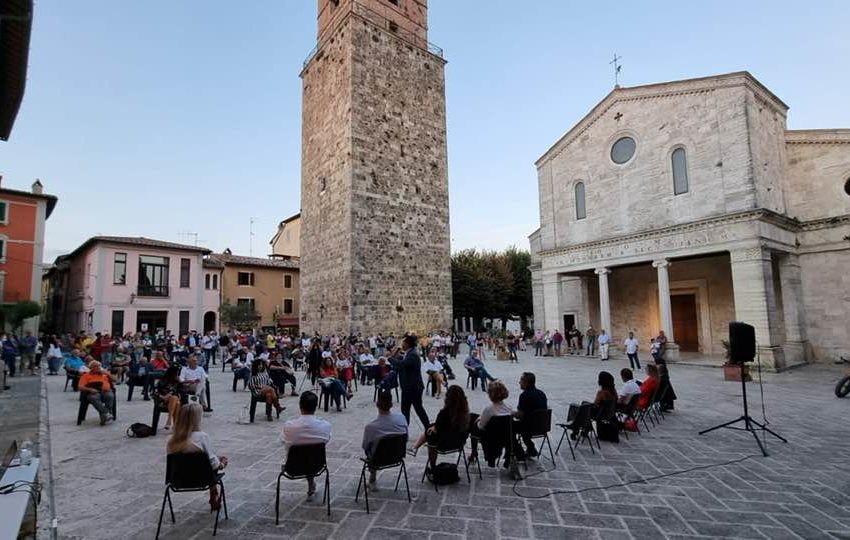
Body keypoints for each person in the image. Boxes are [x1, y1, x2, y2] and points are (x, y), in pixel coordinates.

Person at [166, 402, 228, 510]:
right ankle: (214, 493)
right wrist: (222, 464)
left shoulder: (172, 441)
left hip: (177, 480)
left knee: (205, 461)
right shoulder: (202, 437)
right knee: (213, 463)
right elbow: (213, 464)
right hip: (202, 479)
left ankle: (214, 494)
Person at [282, 392, 331, 500]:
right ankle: (311, 483)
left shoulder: (289, 426)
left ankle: (311, 484)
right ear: (316, 406)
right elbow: (327, 439)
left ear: (300, 406)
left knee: (304, 454)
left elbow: (283, 440)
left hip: (293, 467)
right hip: (317, 465)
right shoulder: (325, 426)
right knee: (310, 454)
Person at [410, 385, 469, 469]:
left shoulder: (443, 414)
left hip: (443, 444)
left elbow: (438, 430)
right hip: (458, 443)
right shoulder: (465, 414)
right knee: (432, 427)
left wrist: (434, 428)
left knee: (429, 431)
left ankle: (430, 463)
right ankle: (415, 447)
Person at [361, 389, 408, 487]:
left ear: (377, 404)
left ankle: (372, 478)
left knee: (371, 449)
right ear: (391, 405)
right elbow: (406, 437)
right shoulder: (401, 418)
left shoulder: (371, 427)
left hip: (378, 459)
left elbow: (365, 446)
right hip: (398, 455)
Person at [469, 381, 514, 468]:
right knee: (475, 416)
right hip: (504, 435)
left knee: (474, 425)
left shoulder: (489, 409)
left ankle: (473, 453)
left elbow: (481, 426)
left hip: (489, 436)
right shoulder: (509, 408)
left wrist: (478, 420)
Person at [566, 371, 618, 439]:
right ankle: (584, 430)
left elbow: (595, 404)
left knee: (576, 408)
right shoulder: (613, 392)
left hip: (599, 415)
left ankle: (575, 428)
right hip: (608, 414)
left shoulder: (601, 392)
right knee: (584, 404)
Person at [396, 335, 430, 429]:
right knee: (408, 410)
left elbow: (402, 365)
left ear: (407, 344)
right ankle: (406, 430)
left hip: (413, 387)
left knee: (415, 409)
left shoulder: (413, 354)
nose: (402, 344)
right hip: (409, 387)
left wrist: (390, 359)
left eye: (403, 342)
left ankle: (428, 428)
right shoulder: (409, 353)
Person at [515, 372, 547, 458]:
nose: (519, 382)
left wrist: (511, 413)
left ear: (526, 383)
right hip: (542, 426)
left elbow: (519, 415)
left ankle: (519, 452)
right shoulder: (542, 393)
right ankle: (531, 449)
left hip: (528, 428)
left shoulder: (524, 396)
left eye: (521, 380)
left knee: (509, 428)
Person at [78, 360, 115, 425]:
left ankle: (105, 416)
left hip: (106, 391)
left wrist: (108, 374)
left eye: (99, 366)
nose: (98, 367)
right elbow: (80, 387)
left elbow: (116, 380)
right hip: (93, 392)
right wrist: (90, 389)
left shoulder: (104, 374)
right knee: (94, 397)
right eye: (95, 366)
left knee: (110, 396)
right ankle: (107, 413)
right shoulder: (86, 376)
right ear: (91, 368)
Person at [157, 365, 185, 430]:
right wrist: (163, 397)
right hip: (164, 401)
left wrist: (180, 382)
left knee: (175, 399)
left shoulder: (177, 381)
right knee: (177, 402)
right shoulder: (162, 381)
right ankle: (175, 425)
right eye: (176, 373)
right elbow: (154, 393)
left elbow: (183, 391)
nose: (177, 375)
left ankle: (169, 420)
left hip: (175, 400)